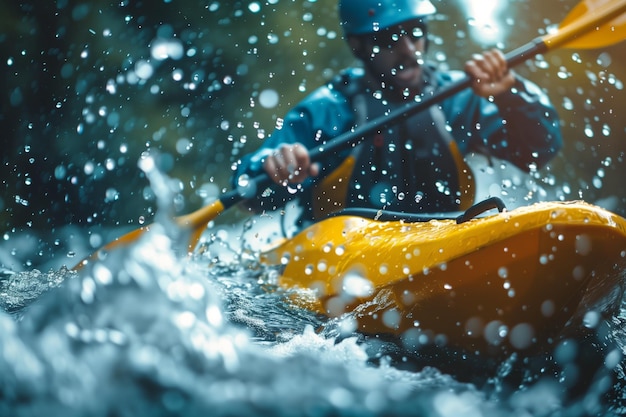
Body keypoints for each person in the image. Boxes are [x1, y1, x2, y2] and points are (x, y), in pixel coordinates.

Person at [232, 0, 562, 228]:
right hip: (341, 254)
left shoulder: (458, 100)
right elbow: (249, 191)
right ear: (357, 45)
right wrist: (274, 166)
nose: (408, 50)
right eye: (390, 38)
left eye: (415, 31)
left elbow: (537, 151)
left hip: (441, 240)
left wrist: (511, 94)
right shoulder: (326, 111)